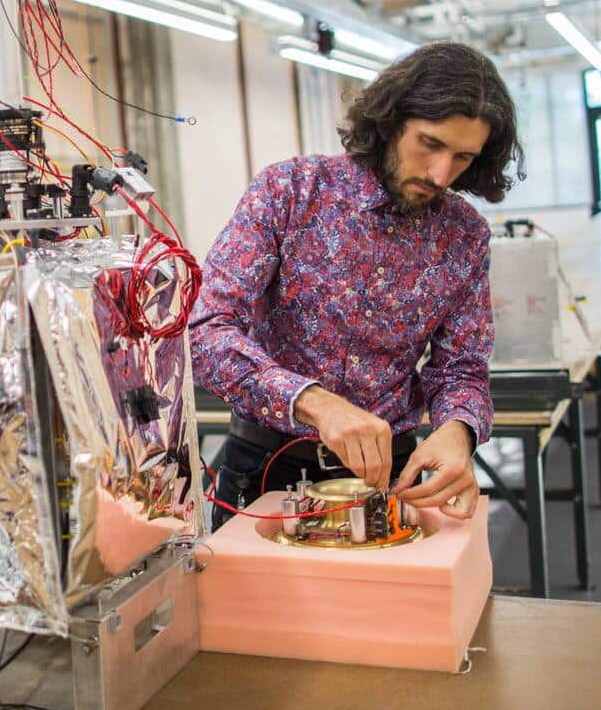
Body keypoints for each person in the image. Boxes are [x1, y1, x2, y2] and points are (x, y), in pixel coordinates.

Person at [190, 41, 519, 527]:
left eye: (463, 158)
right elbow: (205, 332)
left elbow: (462, 368)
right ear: (391, 121)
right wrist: (312, 402)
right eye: (429, 143)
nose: (440, 173)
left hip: (386, 481)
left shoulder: (463, 236)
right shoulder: (290, 192)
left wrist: (458, 430)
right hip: (266, 472)